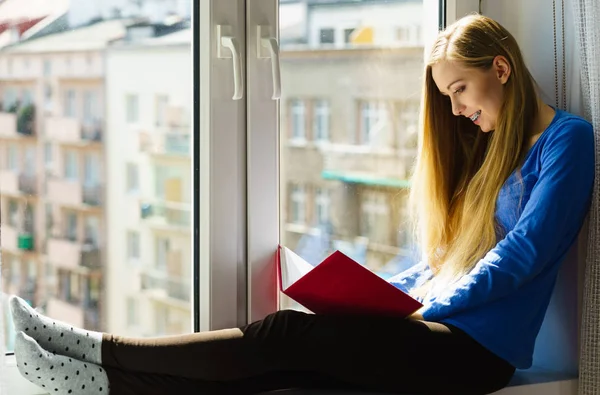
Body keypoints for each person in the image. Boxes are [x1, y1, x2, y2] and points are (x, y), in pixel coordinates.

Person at [8, 13, 595, 395]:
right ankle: (90, 381)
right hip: (443, 331)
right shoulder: (496, 153)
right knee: (280, 368)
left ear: (501, 67)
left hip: (477, 353)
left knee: (283, 336)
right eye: (447, 98)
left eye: (459, 90)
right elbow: (444, 260)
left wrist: (428, 306)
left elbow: (525, 251)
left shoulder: (568, 138)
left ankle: (88, 346)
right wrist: (383, 294)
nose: (457, 110)